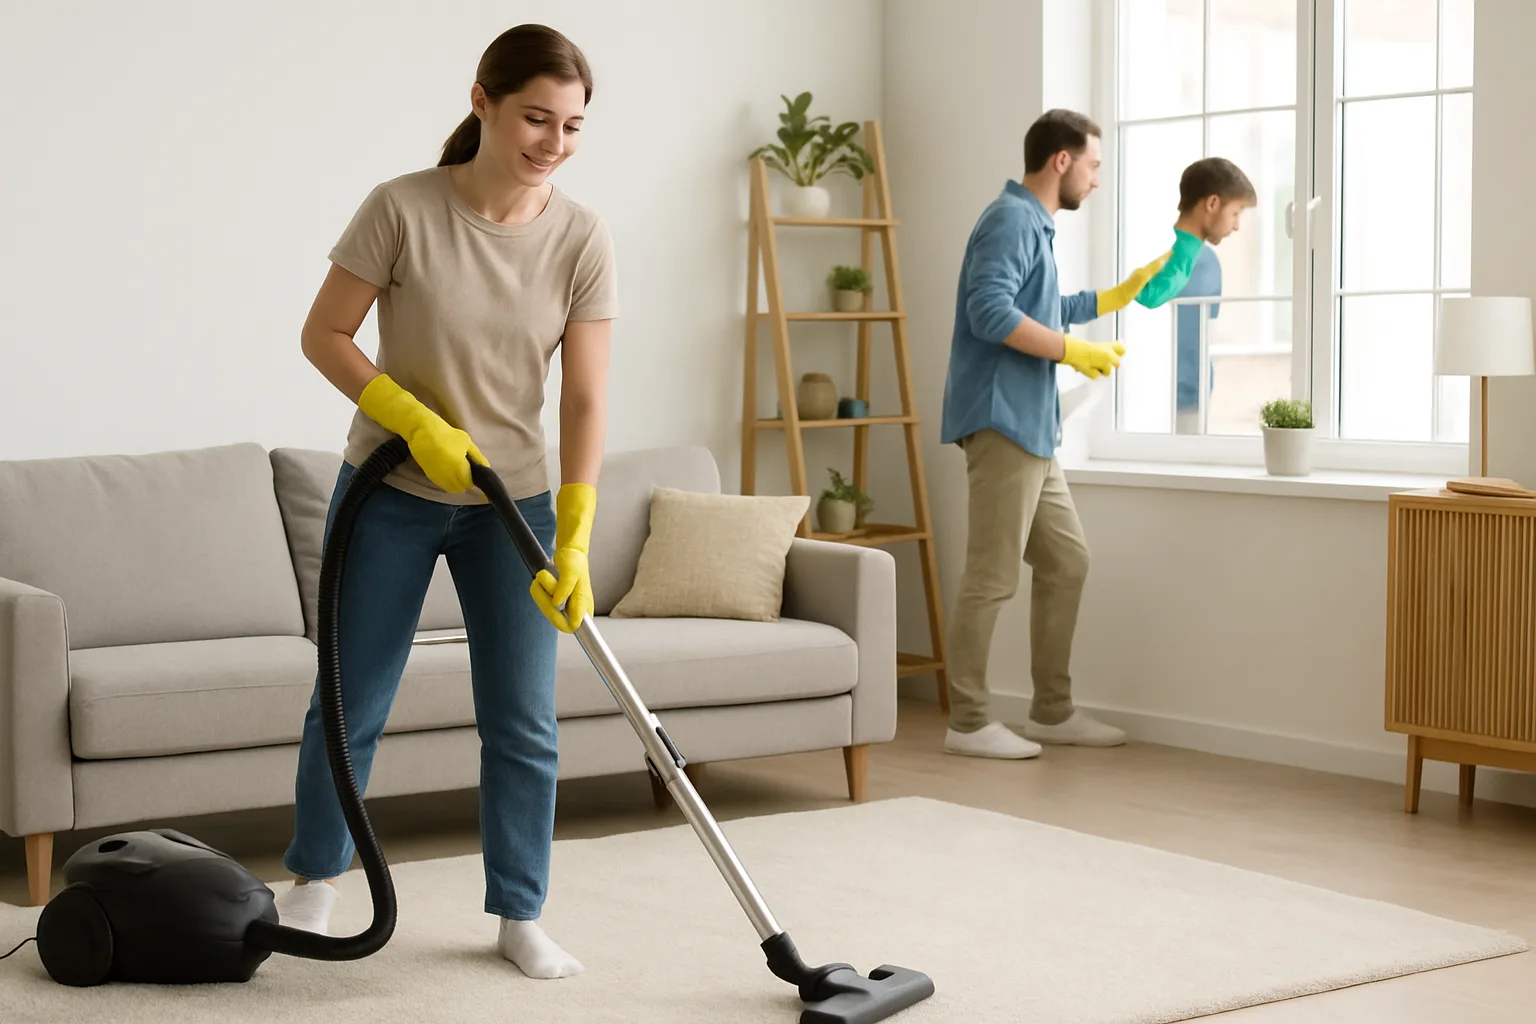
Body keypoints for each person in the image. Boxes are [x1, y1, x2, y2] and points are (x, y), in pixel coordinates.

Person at [272, 24, 616, 981]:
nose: (553, 141)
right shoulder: (403, 208)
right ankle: (316, 875)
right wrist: (411, 419)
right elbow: (326, 334)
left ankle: (519, 910)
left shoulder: (582, 236)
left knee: (523, 717)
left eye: (573, 125)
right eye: (536, 118)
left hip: (518, 504)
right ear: (483, 103)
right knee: (350, 697)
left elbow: (585, 395)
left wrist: (578, 532)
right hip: (392, 486)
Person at [939, 109, 1165, 760]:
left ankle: (1051, 710)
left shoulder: (1035, 227)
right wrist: (1071, 351)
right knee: (991, 576)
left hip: (1035, 427)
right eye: (1093, 165)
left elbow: (1040, 307)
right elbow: (990, 313)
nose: (1097, 180)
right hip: (1002, 419)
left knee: (1067, 562)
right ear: (1061, 161)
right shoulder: (1010, 220)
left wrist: (1113, 297)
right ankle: (970, 721)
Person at [1134, 157, 1256, 434]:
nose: (1237, 226)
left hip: (1192, 400)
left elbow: (1203, 336)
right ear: (1212, 204)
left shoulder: (1209, 263)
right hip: (1152, 402)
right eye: (1235, 213)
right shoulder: (1158, 255)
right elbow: (1146, 305)